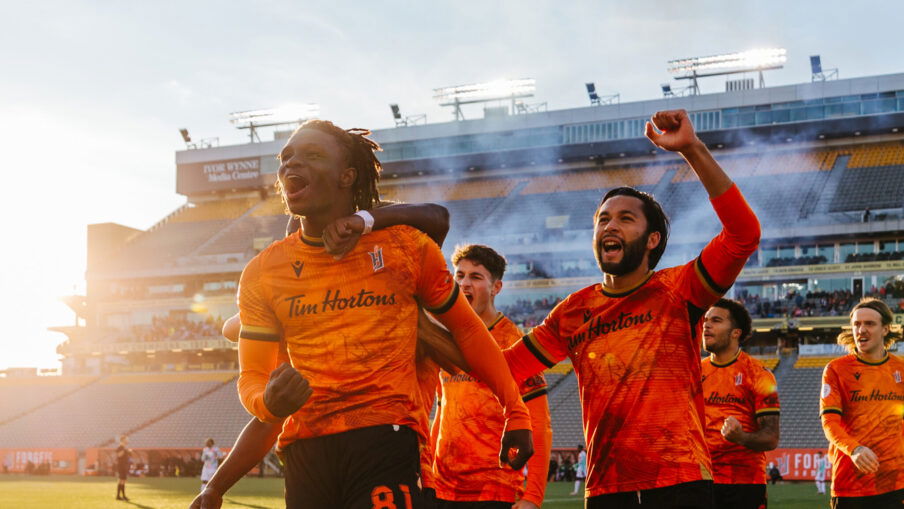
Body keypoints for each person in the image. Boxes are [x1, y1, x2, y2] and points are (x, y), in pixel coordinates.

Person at [236, 120, 533, 509]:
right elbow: (252, 377)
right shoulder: (262, 272)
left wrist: (517, 411)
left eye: (311, 155)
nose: (292, 164)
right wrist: (266, 404)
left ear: (348, 175)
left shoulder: (405, 248)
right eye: (286, 156)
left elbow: (469, 330)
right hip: (304, 449)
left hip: (386, 438)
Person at [503, 109, 761, 508]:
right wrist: (437, 324)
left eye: (626, 219)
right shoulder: (573, 311)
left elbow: (743, 235)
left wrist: (692, 149)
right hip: (607, 490)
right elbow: (507, 368)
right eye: (603, 219)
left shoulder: (678, 290)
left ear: (652, 239)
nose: (610, 226)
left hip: (680, 482)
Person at [430, 244, 552, 509]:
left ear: (496, 287)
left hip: (493, 489)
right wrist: (428, 471)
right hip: (442, 488)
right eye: (459, 276)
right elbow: (442, 412)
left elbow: (539, 424)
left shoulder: (513, 342)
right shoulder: (445, 338)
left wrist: (533, 496)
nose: (464, 284)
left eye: (475, 277)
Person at [820, 298, 904, 508]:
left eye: (869, 324)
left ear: (885, 329)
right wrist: (855, 449)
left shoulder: (901, 369)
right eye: (856, 324)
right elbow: (829, 423)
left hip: (896, 482)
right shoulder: (836, 370)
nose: (861, 330)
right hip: (850, 484)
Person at [701, 298, 780, 509]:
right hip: (700, 481)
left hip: (744, 483)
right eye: (706, 320)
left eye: (716, 320)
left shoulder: (759, 375)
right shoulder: (694, 372)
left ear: (735, 332)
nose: (706, 325)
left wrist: (741, 437)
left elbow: (771, 438)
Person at [115, 435, 132, 501]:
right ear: (122, 440)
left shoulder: (124, 448)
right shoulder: (120, 447)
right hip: (121, 466)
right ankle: (120, 496)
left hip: (124, 466)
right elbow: (119, 455)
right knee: (121, 480)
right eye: (125, 439)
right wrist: (125, 451)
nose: (127, 440)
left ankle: (121, 496)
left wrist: (128, 452)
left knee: (123, 481)